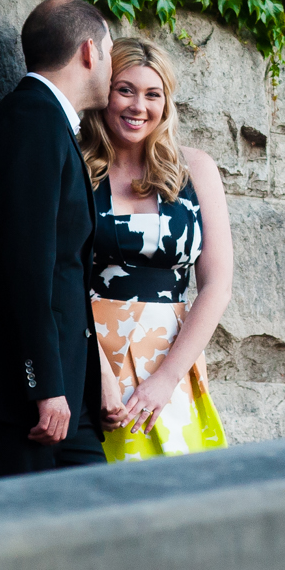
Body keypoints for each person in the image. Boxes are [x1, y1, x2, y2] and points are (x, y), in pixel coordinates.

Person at [0, 0, 113, 479]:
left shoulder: (45, 124)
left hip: (60, 404)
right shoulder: (32, 124)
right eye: (111, 53)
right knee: (10, 546)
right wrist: (43, 385)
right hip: (18, 404)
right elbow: (25, 266)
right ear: (90, 52)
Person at [79, 37, 234, 460]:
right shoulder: (75, 165)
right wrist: (98, 374)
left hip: (168, 362)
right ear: (104, 92)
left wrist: (166, 379)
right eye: (125, 89)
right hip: (89, 352)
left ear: (166, 102)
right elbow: (58, 274)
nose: (138, 106)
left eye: (153, 94)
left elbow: (217, 285)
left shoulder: (195, 169)